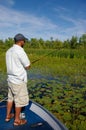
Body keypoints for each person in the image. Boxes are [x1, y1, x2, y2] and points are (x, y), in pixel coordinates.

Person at [5, 33, 31, 126]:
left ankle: (8, 116)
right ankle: (17, 121)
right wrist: (29, 65)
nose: (24, 42)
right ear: (20, 41)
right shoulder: (20, 51)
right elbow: (27, 66)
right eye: (24, 41)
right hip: (18, 81)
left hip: (10, 80)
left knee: (10, 98)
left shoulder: (9, 51)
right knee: (19, 101)